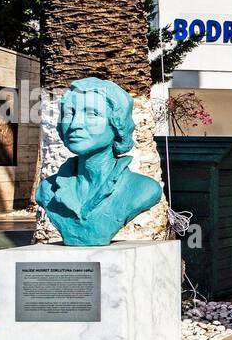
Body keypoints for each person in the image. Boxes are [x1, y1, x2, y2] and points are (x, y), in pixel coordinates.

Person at [36, 78, 164, 246]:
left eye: (92, 113)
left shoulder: (144, 190)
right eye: (69, 113)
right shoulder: (47, 191)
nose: (75, 124)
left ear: (117, 124)